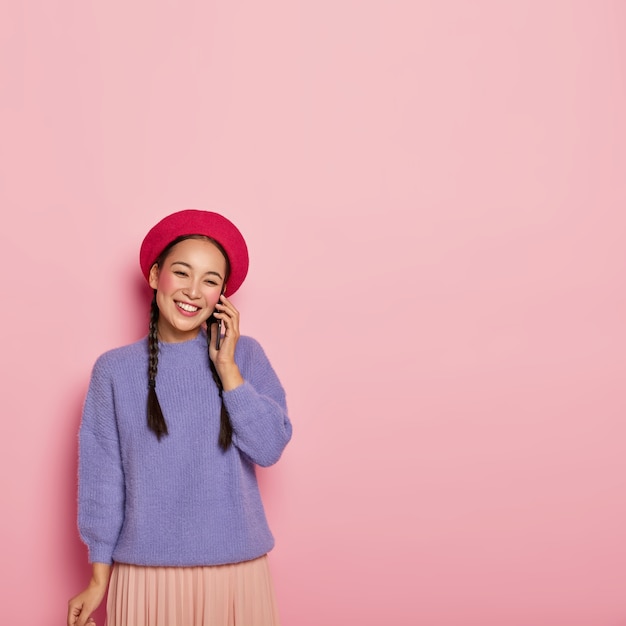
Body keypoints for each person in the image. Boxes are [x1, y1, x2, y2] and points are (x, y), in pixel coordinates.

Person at [67, 210, 292, 626]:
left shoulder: (246, 356)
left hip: (237, 573)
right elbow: (101, 476)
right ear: (155, 276)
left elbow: (269, 447)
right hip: (145, 576)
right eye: (181, 273)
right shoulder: (114, 370)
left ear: (222, 295)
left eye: (210, 280)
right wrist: (98, 577)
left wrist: (227, 370)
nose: (193, 291)